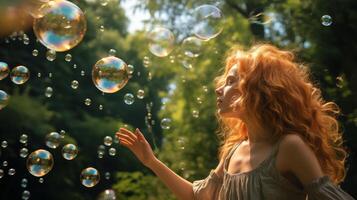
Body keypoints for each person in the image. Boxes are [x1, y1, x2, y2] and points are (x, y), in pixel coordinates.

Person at [115, 44, 355, 200]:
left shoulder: (288, 147)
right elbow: (195, 196)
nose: (219, 89)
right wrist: (151, 161)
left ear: (259, 89)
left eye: (230, 81)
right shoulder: (233, 152)